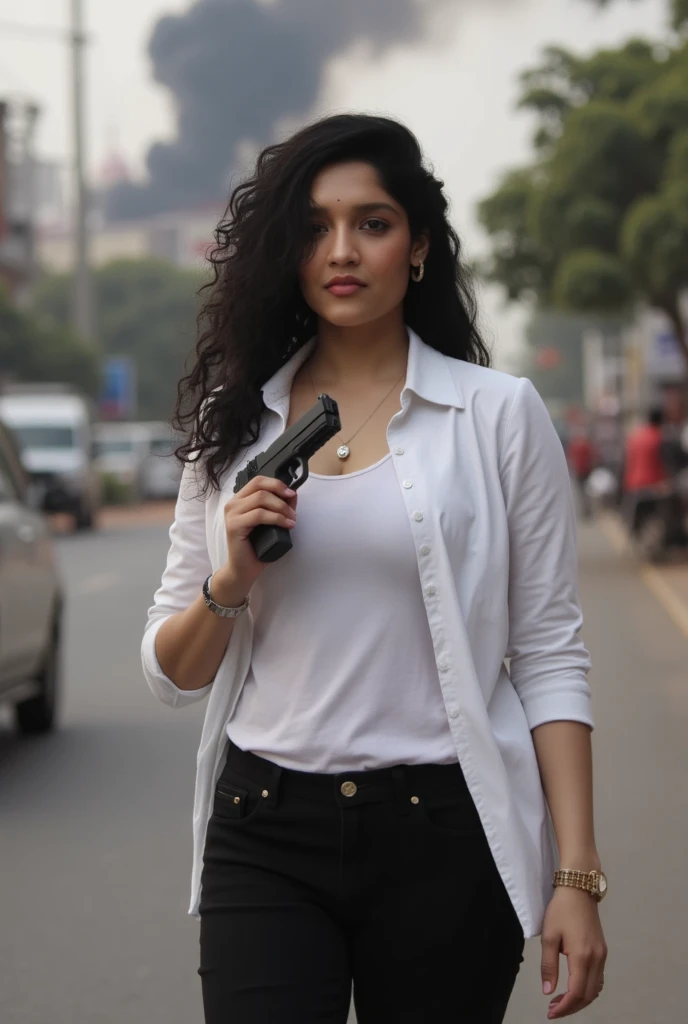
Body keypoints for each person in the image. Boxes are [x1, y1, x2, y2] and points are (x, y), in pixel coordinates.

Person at [141, 114, 607, 1024]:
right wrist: (226, 589)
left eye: (373, 223)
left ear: (419, 244)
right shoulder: (235, 427)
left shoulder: (497, 416)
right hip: (264, 823)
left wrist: (577, 878)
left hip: (446, 832)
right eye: (314, 228)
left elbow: (550, 654)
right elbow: (170, 673)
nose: (341, 251)